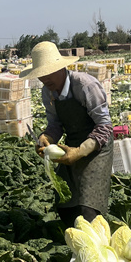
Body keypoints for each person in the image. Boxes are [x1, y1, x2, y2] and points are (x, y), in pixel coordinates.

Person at [21, 42, 114, 227]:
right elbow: (56, 123)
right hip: (71, 145)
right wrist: (47, 137)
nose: (45, 79)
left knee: (89, 206)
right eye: (40, 75)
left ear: (61, 68)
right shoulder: (48, 93)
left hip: (97, 147)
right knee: (66, 204)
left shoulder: (86, 86)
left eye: (48, 72)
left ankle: (97, 241)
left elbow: (105, 126)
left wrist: (80, 151)